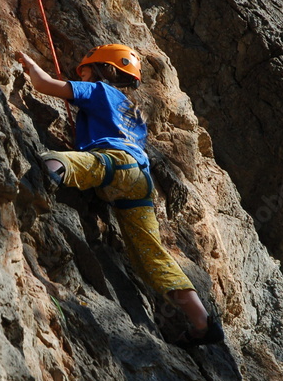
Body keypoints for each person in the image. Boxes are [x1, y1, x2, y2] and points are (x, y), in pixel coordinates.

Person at [15, 44, 223, 347]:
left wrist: (30, 64)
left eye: (85, 69)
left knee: (61, 162)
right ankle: (201, 320)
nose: (81, 74)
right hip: (140, 180)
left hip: (114, 164)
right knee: (150, 253)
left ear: (106, 70)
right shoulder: (133, 112)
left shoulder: (98, 89)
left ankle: (47, 175)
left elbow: (45, 85)